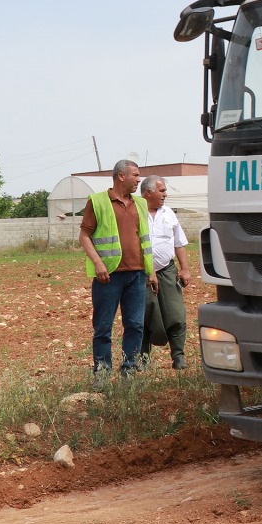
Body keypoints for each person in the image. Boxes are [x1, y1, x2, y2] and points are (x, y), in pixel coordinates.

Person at [78, 160, 156, 375]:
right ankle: (102, 372)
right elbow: (84, 236)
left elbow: (144, 239)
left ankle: (129, 371)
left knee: (135, 325)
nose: (139, 180)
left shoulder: (140, 203)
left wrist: (151, 271)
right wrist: (98, 263)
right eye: (135, 175)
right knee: (103, 327)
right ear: (121, 176)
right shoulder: (98, 201)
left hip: (137, 275)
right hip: (109, 276)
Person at [140, 175, 190, 369]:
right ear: (148, 192)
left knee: (176, 313)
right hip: (142, 273)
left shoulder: (169, 213)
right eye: (162, 191)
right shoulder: (135, 212)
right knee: (143, 315)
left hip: (167, 270)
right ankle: (143, 359)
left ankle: (178, 356)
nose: (165, 194)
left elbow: (179, 243)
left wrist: (184, 268)